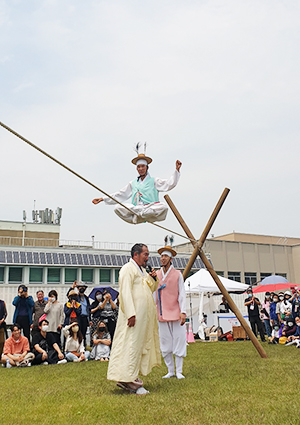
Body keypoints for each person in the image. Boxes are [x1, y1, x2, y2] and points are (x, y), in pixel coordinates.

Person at [107, 243, 160, 395]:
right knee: (131, 346)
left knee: (138, 346)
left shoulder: (143, 271)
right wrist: (131, 313)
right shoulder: (127, 269)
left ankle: (128, 379)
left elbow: (149, 289)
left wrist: (154, 279)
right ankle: (131, 382)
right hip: (133, 317)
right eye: (145, 254)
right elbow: (125, 292)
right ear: (136, 255)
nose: (147, 258)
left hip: (143, 318)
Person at [92, 147, 182, 224]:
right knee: (117, 208)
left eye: (143, 166)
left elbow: (169, 184)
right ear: (136, 169)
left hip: (149, 209)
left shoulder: (154, 181)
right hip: (136, 210)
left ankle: (142, 214)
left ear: (147, 167)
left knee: (163, 207)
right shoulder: (133, 183)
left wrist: (177, 171)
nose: (141, 169)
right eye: (139, 167)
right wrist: (103, 199)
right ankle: (139, 214)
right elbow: (120, 194)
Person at [154, 245, 187, 379]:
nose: (163, 258)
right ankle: (170, 370)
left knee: (179, 340)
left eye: (165, 256)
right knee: (165, 341)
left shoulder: (177, 274)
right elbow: (154, 294)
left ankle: (179, 371)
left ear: (171, 259)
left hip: (176, 311)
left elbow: (182, 294)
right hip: (161, 312)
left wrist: (183, 311)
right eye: (161, 256)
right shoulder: (156, 274)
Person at [67, 282, 92, 348]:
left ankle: (83, 347)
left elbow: (89, 309)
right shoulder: (76, 297)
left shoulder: (86, 298)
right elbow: (68, 295)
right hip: (78, 317)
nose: (82, 289)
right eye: (80, 287)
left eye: (83, 287)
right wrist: (72, 287)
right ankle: (76, 347)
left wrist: (90, 319)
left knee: (84, 333)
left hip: (85, 317)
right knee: (77, 333)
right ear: (78, 289)